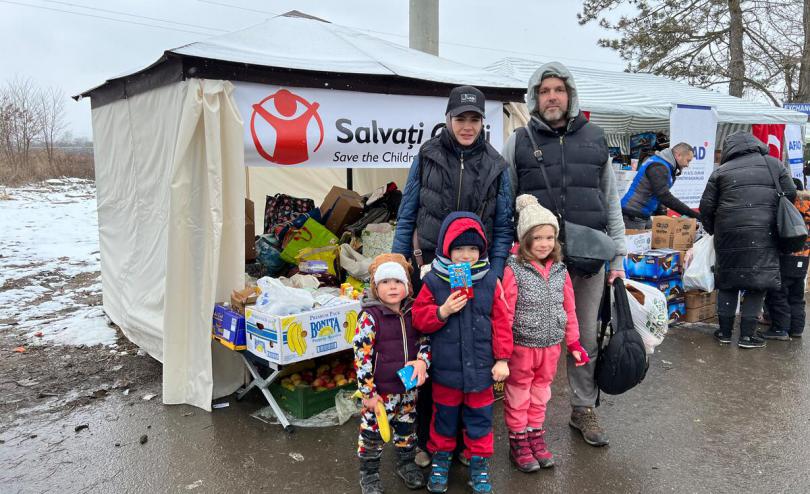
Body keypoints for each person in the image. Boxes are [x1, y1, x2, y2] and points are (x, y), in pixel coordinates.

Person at [502, 61, 626, 447]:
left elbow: (611, 202)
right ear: (534, 98)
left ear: (569, 95)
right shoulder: (518, 142)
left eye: (558, 89)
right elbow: (506, 201)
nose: (551, 96)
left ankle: (582, 408)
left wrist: (617, 259)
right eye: (544, 91)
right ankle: (521, 420)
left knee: (583, 336)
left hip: (588, 257)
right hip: (535, 262)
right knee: (526, 338)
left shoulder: (595, 138)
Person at [393, 85, 514, 468]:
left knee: (474, 355)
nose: (467, 125)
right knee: (432, 352)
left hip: (478, 271)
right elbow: (408, 210)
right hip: (432, 268)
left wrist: (494, 272)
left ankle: (466, 443)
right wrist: (400, 262)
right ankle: (430, 441)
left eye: (474, 119)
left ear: (482, 122)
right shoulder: (427, 155)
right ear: (448, 119)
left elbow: (503, 225)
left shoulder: (497, 164)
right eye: (460, 118)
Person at [412, 212, 512, 494]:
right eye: (459, 248)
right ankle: (441, 461)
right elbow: (419, 318)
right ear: (446, 248)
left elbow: (503, 322)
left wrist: (503, 359)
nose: (466, 255)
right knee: (443, 418)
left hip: (482, 370)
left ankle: (478, 463)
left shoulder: (491, 280)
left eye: (472, 249)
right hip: (446, 370)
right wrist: (441, 312)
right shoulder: (433, 281)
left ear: (482, 250)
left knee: (480, 420)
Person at [502, 195, 590, 472]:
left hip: (551, 347)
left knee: (541, 393)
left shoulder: (561, 271)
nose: (544, 244)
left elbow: (570, 309)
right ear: (525, 239)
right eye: (537, 237)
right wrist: (502, 354)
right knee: (519, 394)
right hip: (522, 348)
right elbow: (504, 313)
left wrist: (573, 341)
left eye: (550, 237)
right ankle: (518, 441)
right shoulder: (513, 269)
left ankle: (535, 436)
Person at [699, 132, 796, 348]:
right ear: (757, 145)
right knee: (757, 282)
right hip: (765, 232)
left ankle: (724, 333)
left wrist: (713, 229)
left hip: (728, 234)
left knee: (727, 282)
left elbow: (706, 207)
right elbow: (790, 194)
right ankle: (747, 336)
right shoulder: (774, 165)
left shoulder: (721, 172)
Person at [353, 254, 430, 494]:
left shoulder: (415, 311)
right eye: (385, 282)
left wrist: (422, 361)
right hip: (379, 393)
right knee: (372, 435)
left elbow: (426, 339)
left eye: (397, 282)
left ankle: (406, 464)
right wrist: (367, 392)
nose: (392, 287)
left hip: (407, 389)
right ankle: (369, 474)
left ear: (406, 286)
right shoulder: (370, 316)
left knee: (407, 430)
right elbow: (362, 356)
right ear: (376, 288)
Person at [761, 185, 810, 340]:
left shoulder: (787, 205)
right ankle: (796, 329)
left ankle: (780, 328)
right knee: (796, 295)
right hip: (804, 256)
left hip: (786, 256)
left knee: (779, 293)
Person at [621, 143, 701, 229]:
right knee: (636, 242)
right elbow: (664, 196)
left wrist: (662, 217)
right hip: (633, 214)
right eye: (688, 160)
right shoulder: (658, 166)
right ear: (678, 155)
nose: (687, 165)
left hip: (643, 214)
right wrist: (693, 214)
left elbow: (658, 196)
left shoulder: (665, 165)